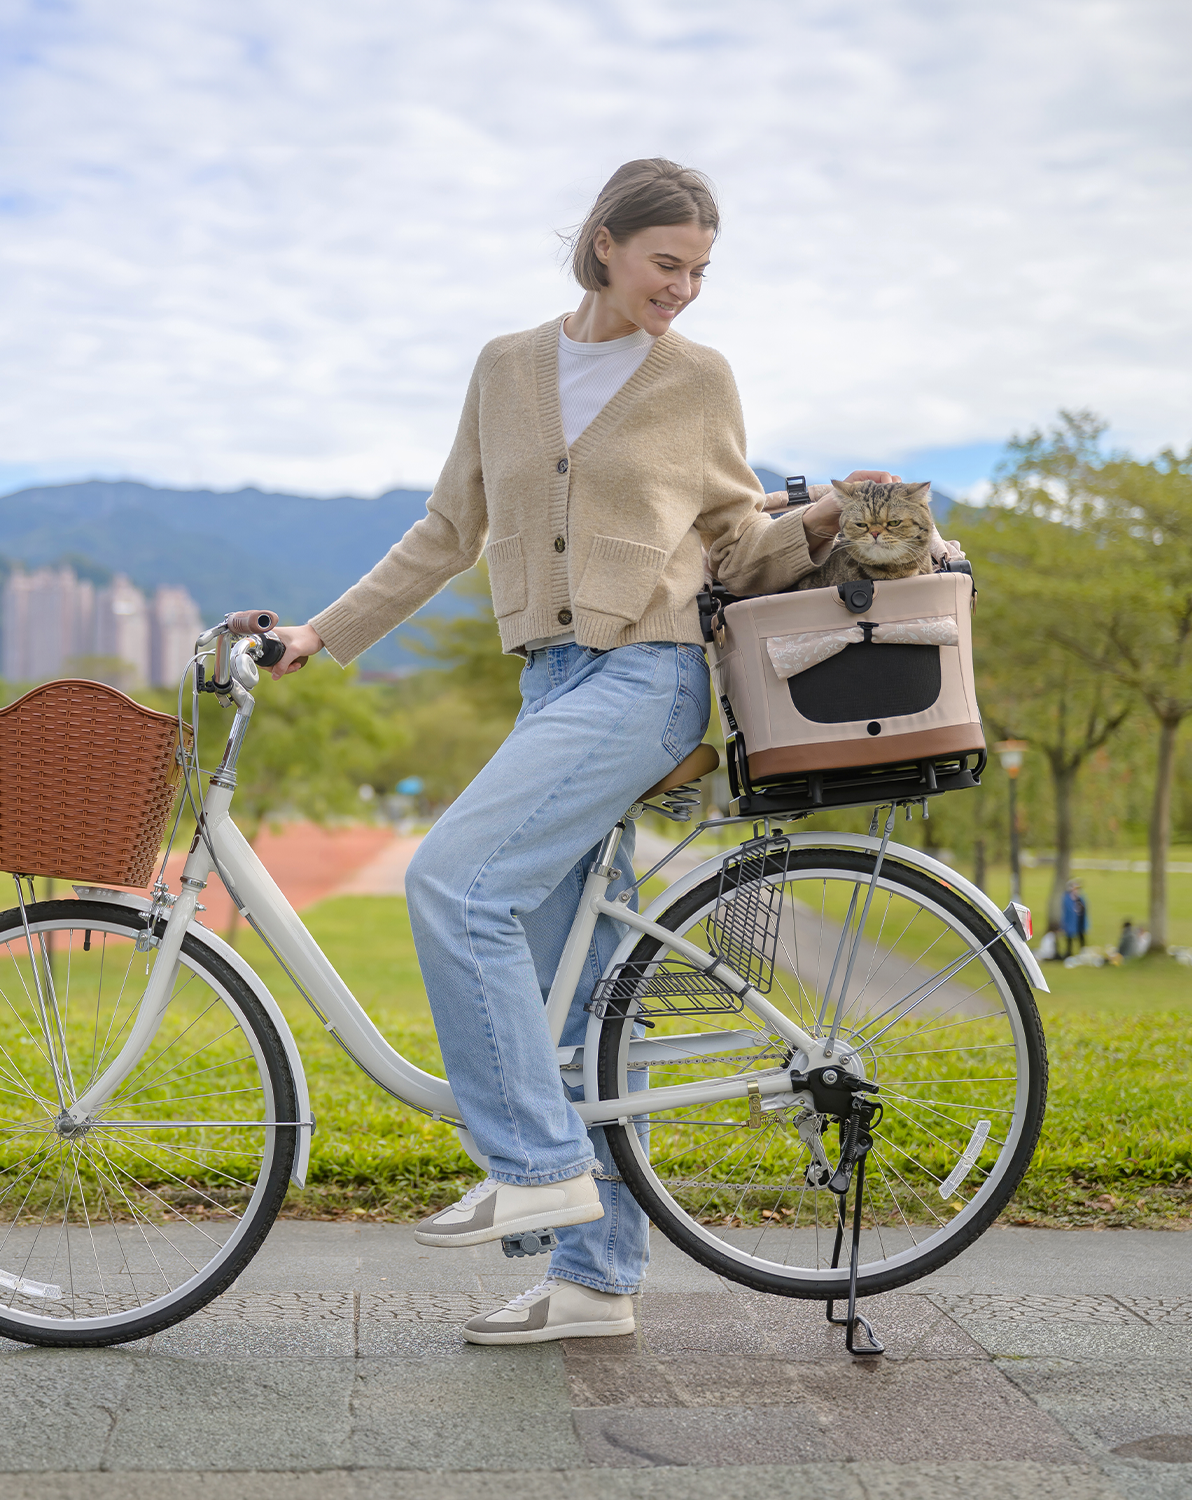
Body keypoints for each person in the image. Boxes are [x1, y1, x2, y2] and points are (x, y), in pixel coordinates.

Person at [270, 159, 893, 1345]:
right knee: (584, 1002)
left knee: (454, 884)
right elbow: (447, 531)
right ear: (605, 244)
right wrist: (323, 633)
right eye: (669, 264)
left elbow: (735, 545)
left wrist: (811, 524)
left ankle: (535, 1164)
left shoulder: (698, 379)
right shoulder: (508, 368)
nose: (687, 290)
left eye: (702, 271)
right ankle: (597, 1281)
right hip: (550, 685)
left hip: (648, 680)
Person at [1061, 880, 1088, 956]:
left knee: (1081, 935)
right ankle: (1068, 952)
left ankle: (1083, 950)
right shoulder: (1067, 898)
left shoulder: (1080, 898)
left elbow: (1084, 908)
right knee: (1069, 937)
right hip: (1070, 921)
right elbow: (1067, 910)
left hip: (1079, 921)